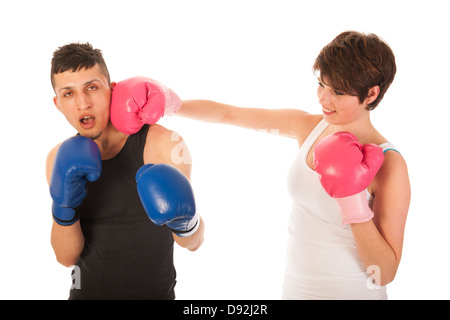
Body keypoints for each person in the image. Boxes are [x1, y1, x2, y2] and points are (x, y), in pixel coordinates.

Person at [175, 31, 410, 299]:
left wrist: (353, 203)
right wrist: (172, 105)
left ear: (371, 94)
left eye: (337, 91)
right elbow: (230, 114)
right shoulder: (308, 127)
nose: (323, 99)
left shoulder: (390, 164)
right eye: (322, 84)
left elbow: (385, 272)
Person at [45, 43, 204, 300]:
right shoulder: (57, 158)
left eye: (91, 88)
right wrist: (65, 208)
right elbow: (66, 258)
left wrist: (186, 222)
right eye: (68, 94)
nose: (82, 104)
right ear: (58, 103)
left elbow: (193, 243)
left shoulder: (162, 144)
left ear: (111, 89)